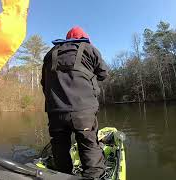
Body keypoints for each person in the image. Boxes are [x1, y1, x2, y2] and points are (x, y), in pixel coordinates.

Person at [40, 26, 109, 179]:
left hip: (55, 112)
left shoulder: (49, 54)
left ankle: (62, 175)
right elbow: (103, 74)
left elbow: (44, 83)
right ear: (83, 38)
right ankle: (94, 177)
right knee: (89, 145)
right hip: (83, 111)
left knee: (59, 147)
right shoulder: (88, 49)